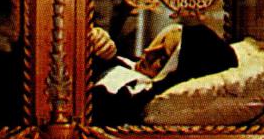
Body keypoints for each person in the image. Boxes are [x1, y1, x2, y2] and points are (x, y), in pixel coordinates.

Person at [89, 22, 238, 126]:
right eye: (163, 39)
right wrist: (94, 38)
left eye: (162, 60)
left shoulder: (129, 96)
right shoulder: (129, 61)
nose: (148, 52)